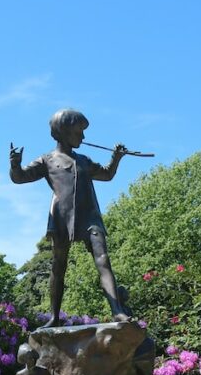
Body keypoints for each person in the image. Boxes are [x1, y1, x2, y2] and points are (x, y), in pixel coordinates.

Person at [9, 108, 132, 326]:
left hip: (89, 216)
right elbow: (20, 178)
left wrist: (116, 158)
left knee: (103, 259)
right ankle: (55, 317)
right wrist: (15, 164)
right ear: (64, 132)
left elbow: (107, 174)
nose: (83, 137)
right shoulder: (47, 160)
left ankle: (117, 311)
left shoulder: (84, 160)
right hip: (61, 218)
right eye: (79, 132)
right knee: (59, 266)